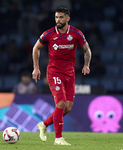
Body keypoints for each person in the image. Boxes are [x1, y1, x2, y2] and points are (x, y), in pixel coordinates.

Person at [32, 7, 92, 145]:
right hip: (54, 72)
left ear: (67, 18)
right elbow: (36, 48)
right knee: (61, 103)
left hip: (70, 74)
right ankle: (58, 138)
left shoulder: (76, 33)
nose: (58, 20)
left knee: (68, 107)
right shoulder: (49, 34)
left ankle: (44, 124)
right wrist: (36, 68)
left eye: (61, 17)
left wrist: (86, 64)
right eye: (56, 17)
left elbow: (87, 50)